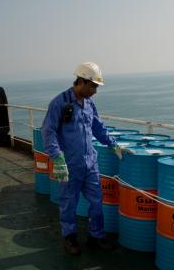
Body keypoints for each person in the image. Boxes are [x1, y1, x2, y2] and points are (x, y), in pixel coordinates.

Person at [41, 62, 131, 255]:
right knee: (68, 202)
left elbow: (97, 127)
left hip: (90, 163)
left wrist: (113, 144)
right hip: (69, 164)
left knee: (97, 201)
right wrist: (57, 158)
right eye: (93, 86)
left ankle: (96, 236)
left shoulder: (89, 104)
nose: (95, 91)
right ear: (81, 81)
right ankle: (70, 238)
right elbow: (48, 132)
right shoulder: (59, 103)